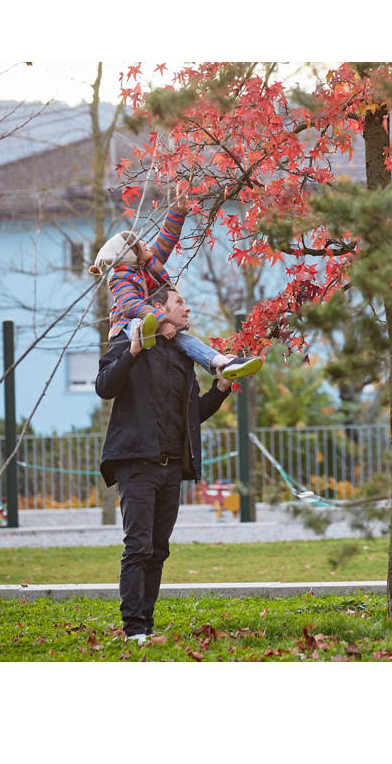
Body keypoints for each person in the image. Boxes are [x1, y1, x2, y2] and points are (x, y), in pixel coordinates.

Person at [96, 283, 232, 645]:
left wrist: (219, 390)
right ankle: (133, 628)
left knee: (158, 548)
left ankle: (147, 623)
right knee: (138, 546)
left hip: (172, 467)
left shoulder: (183, 356)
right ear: (158, 308)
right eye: (179, 302)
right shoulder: (129, 341)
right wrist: (134, 351)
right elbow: (104, 387)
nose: (187, 309)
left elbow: (191, 415)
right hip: (135, 463)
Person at [89, 185, 263, 381]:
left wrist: (178, 211)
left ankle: (222, 363)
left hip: (156, 319)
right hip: (129, 327)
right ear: (132, 254)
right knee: (137, 321)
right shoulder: (120, 278)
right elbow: (131, 306)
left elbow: (166, 239)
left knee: (189, 341)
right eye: (140, 245)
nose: (146, 244)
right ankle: (145, 333)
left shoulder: (149, 262)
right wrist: (160, 322)